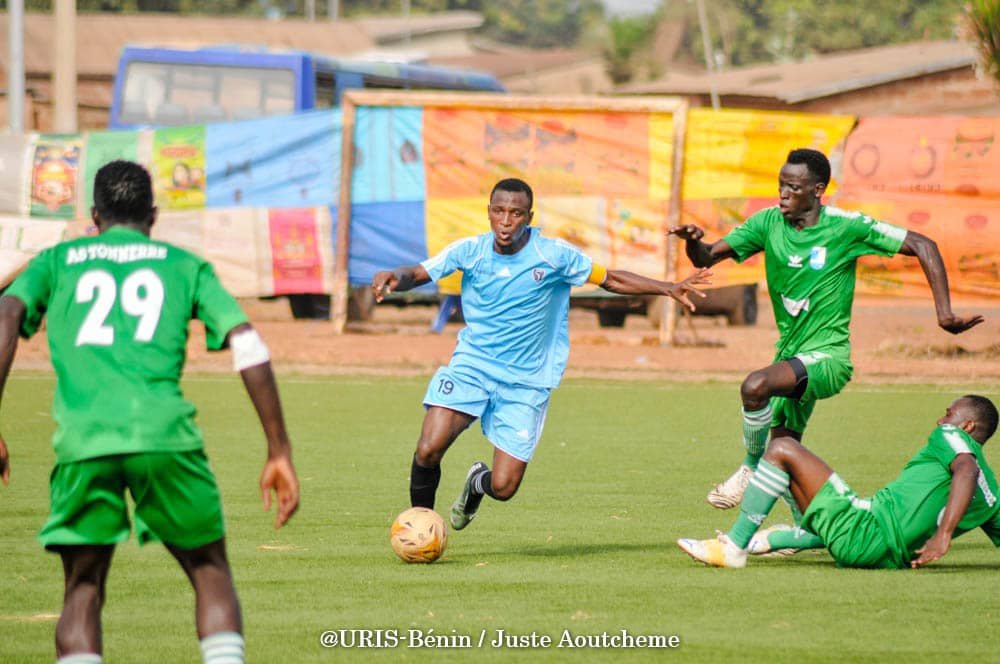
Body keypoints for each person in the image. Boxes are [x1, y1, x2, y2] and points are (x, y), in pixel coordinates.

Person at [0, 160, 300, 664]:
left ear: (95, 215)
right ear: (153, 214)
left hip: (84, 443)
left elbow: (7, 312)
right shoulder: (184, 264)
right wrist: (279, 449)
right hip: (166, 439)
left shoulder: (57, 261)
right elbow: (248, 343)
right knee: (208, 569)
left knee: (83, 587)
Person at [668, 148, 984, 542]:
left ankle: (748, 468)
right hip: (791, 353)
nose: (783, 193)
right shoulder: (767, 223)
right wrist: (692, 243)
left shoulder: (845, 227)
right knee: (783, 449)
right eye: (781, 185)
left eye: (793, 187)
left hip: (829, 357)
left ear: (817, 190)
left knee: (755, 386)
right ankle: (807, 532)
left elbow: (924, 244)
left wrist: (944, 313)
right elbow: (708, 257)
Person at [372, 177, 711, 531]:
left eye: (516, 214)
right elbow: (417, 272)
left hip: (526, 381)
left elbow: (609, 279)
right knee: (429, 447)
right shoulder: (469, 251)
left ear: (528, 217)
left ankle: (476, 484)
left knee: (503, 488)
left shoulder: (554, 255)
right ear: (488, 213)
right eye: (499, 211)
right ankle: (421, 526)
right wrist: (393, 277)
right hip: (473, 366)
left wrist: (666, 288)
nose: (506, 221)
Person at [678, 395, 1000, 569]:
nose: (941, 420)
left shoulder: (952, 439)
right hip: (886, 557)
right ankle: (776, 540)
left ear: (967, 426)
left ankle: (734, 548)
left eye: (948, 413)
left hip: (865, 528)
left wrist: (943, 536)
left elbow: (966, 470)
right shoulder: (992, 496)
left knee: (782, 449)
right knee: (791, 477)